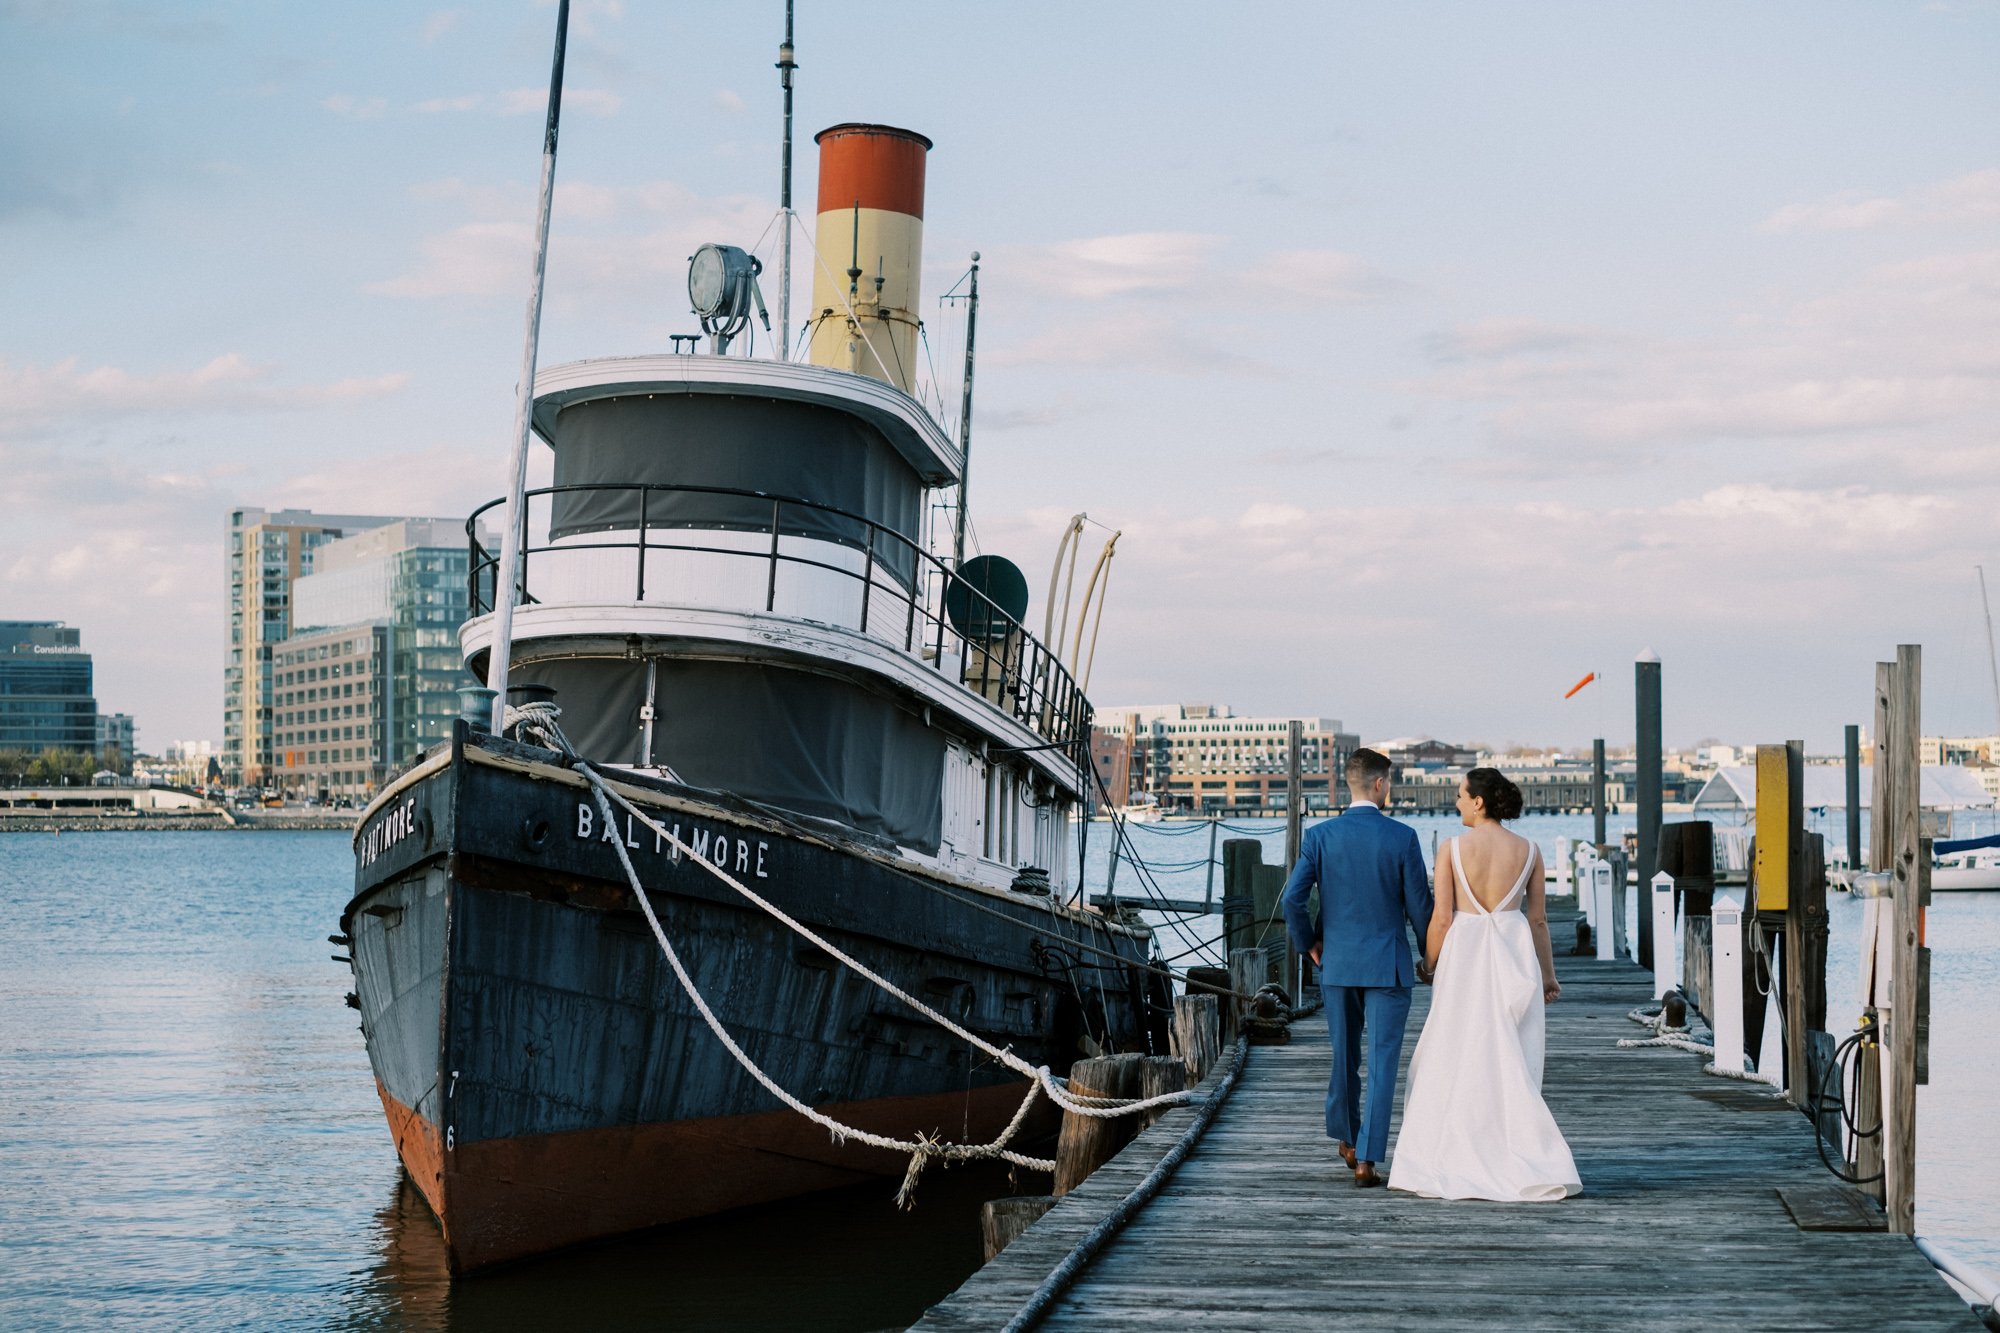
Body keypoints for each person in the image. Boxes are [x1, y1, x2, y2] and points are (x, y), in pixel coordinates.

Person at [1388, 767, 1581, 1201]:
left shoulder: (1452, 850)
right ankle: (1518, 1151)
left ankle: (1455, 1152)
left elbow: (1441, 918)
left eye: (1460, 795)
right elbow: (1538, 921)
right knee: (1511, 1055)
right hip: (1514, 956)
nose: (1455, 802)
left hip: (1465, 957)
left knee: (1456, 1050)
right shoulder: (1530, 851)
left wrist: (1429, 964)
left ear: (1479, 801)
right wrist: (1549, 974)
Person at [1280, 748, 1432, 1187]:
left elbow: (1293, 899)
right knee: (1384, 1063)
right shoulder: (1402, 838)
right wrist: (1428, 955)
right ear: (1381, 784)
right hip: (1388, 965)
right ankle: (1367, 1158)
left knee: (1344, 1057)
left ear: (1351, 784)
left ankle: (1346, 1139)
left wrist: (1308, 943)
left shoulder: (1320, 837)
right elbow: (1420, 908)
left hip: (1338, 962)